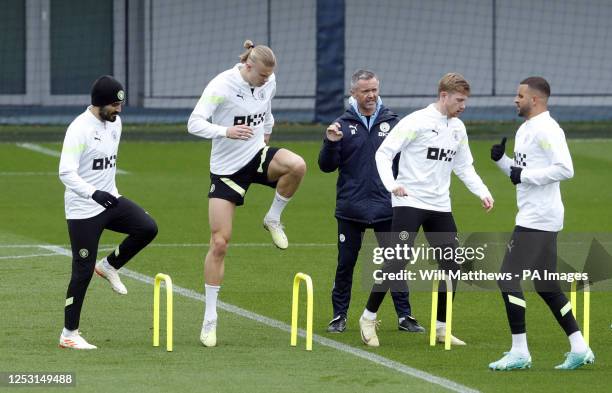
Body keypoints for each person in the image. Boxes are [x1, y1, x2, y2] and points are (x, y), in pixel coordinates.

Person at [359, 73, 494, 347]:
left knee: (452, 265)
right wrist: (391, 184)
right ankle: (368, 317)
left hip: (440, 205)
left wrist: (482, 191)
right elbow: (383, 153)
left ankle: (442, 328)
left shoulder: (458, 128)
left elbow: (464, 166)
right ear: (444, 96)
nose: (463, 106)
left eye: (465, 101)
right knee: (398, 261)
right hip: (409, 201)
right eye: (459, 100)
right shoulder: (416, 121)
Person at [188, 40, 307, 347]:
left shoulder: (269, 81)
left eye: (270, 77)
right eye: (262, 76)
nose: (267, 81)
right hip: (227, 170)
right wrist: (225, 131)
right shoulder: (221, 85)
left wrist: (265, 138)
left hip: (257, 156)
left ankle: (273, 217)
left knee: (297, 166)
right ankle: (210, 319)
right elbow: (194, 123)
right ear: (249, 66)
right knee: (219, 243)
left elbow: (266, 114)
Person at [488, 76, 594, 370]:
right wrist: (502, 161)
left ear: (535, 99)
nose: (514, 99)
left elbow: (565, 169)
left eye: (519, 95)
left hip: (540, 217)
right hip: (533, 213)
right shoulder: (525, 129)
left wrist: (523, 175)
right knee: (546, 285)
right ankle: (580, 347)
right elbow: (521, 173)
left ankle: (519, 352)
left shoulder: (548, 129)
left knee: (507, 278)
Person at [58, 75, 158, 349]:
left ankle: (110, 265)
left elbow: (106, 167)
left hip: (110, 200)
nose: (119, 110)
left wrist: (108, 193)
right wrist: (93, 193)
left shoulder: (115, 123)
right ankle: (69, 334)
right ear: (100, 103)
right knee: (81, 272)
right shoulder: (79, 129)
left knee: (147, 228)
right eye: (114, 105)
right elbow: (66, 172)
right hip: (83, 210)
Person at [318, 70, 422, 334]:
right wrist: (330, 143)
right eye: (366, 91)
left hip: (387, 206)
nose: (372, 95)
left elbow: (406, 162)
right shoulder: (340, 125)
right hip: (351, 207)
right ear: (354, 93)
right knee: (346, 264)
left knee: (396, 262)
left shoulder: (394, 123)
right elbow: (326, 167)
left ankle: (405, 316)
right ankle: (339, 316)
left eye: (375, 89)